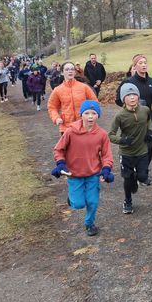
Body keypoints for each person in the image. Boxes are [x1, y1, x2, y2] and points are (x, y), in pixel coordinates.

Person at [52, 100, 114, 236]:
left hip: (93, 174)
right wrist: (60, 163)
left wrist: (106, 169)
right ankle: (72, 200)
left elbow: (106, 155)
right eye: (87, 113)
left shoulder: (102, 134)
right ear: (81, 115)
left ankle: (89, 224)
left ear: (98, 116)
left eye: (94, 113)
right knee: (79, 204)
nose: (90, 116)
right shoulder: (70, 132)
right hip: (74, 174)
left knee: (93, 202)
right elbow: (58, 149)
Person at [109, 83, 152, 215]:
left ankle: (140, 177)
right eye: (128, 95)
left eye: (134, 94)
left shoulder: (145, 110)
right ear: (123, 99)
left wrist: (150, 131)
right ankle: (127, 201)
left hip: (142, 151)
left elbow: (149, 120)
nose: (132, 98)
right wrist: (122, 140)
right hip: (126, 153)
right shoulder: (120, 116)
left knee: (143, 175)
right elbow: (111, 135)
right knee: (128, 180)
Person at [115, 54, 152, 168]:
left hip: (148, 118)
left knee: (148, 145)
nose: (144, 65)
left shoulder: (151, 81)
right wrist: (132, 105)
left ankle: (144, 171)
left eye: (145, 62)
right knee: (133, 144)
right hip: (131, 118)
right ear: (135, 66)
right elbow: (118, 100)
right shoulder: (128, 82)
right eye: (140, 63)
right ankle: (132, 169)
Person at [48, 61, 98, 135]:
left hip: (84, 126)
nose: (70, 71)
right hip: (66, 128)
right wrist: (56, 118)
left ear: (75, 72)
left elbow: (94, 102)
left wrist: (90, 116)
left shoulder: (84, 87)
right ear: (62, 72)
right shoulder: (57, 90)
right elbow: (52, 107)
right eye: (67, 69)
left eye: (72, 69)